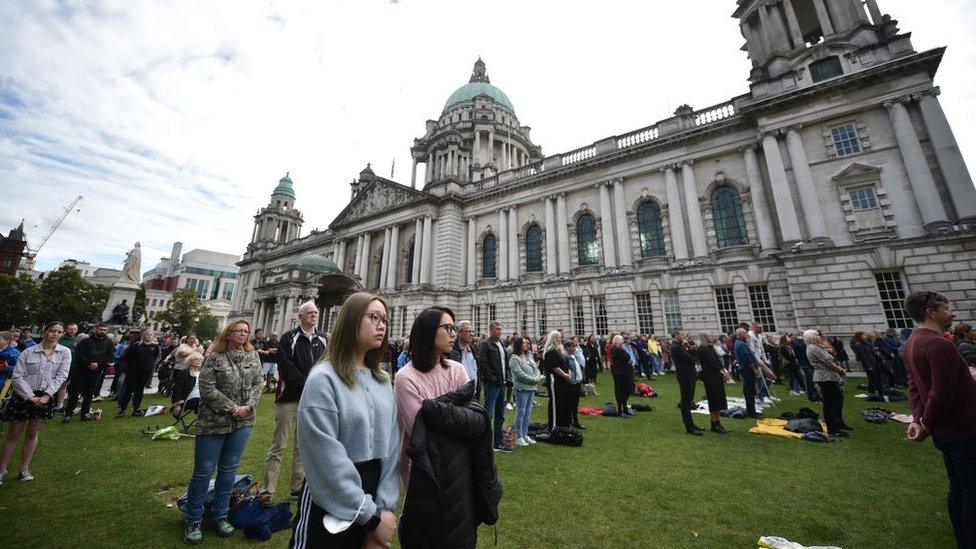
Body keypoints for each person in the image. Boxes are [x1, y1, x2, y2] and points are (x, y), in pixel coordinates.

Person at [292, 292, 399, 549]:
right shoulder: (323, 379)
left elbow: (392, 449)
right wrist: (370, 515)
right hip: (330, 496)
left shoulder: (383, 380)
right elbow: (324, 457)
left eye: (385, 319)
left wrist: (383, 508)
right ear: (351, 321)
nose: (382, 325)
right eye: (374, 317)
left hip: (374, 493)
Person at [902, 291, 976, 549]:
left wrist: (918, 418)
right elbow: (940, 392)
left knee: (959, 489)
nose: (952, 312)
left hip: (947, 431)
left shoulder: (911, 342)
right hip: (963, 429)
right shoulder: (939, 344)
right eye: (946, 308)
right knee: (971, 493)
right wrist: (925, 423)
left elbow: (914, 386)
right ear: (930, 312)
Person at [183, 319, 263, 544]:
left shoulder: (253, 356)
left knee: (228, 470)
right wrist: (231, 407)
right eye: (238, 331)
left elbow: (259, 383)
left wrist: (248, 406)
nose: (242, 334)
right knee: (203, 471)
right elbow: (207, 389)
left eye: (245, 331)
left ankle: (220, 516)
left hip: (243, 421)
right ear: (228, 334)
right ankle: (194, 519)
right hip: (213, 422)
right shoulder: (214, 358)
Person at [262, 302, 326, 501]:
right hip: (289, 397)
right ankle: (268, 489)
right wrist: (307, 383)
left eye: (316, 312)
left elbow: (325, 365)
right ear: (301, 316)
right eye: (310, 313)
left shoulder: (322, 339)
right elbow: (286, 365)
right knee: (279, 444)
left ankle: (297, 486)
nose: (314, 315)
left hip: (310, 399)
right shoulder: (289, 337)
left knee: (302, 445)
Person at [395, 306, 471, 472]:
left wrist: (435, 410)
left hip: (461, 465)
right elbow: (422, 431)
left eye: (454, 328)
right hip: (425, 470)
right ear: (428, 331)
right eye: (447, 328)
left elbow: (474, 420)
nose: (453, 334)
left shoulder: (458, 369)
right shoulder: (405, 377)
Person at [0, 322, 71, 485]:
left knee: (32, 433)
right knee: (13, 435)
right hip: (24, 395)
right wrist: (29, 396)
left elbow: (62, 375)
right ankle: (1, 470)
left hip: (45, 396)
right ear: (46, 331)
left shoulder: (64, 353)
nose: (55, 334)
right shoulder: (28, 352)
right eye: (52, 330)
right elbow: (17, 376)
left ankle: (24, 469)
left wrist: (47, 395)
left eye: (59, 332)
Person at [63, 323, 115, 422]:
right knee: (74, 393)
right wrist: (89, 363)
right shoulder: (85, 341)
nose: (103, 331)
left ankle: (85, 414)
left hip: (96, 372)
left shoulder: (109, 343)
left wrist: (98, 364)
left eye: (105, 330)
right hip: (81, 371)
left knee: (89, 393)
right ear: (95, 329)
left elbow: (109, 356)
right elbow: (79, 354)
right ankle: (68, 414)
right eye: (101, 329)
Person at [804, 330, 850, 437]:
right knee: (830, 403)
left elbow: (831, 354)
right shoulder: (813, 348)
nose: (819, 336)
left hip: (829, 376)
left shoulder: (816, 346)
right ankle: (832, 428)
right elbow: (828, 360)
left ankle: (838, 422)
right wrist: (840, 369)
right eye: (816, 335)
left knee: (837, 399)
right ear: (811, 337)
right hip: (825, 377)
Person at [479, 321, 512, 453]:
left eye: (500, 329)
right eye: (497, 329)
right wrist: (492, 378)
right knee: (489, 414)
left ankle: (498, 442)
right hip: (492, 385)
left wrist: (507, 378)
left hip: (502, 384)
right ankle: (485, 443)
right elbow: (482, 364)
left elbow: (505, 364)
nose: (499, 331)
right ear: (491, 330)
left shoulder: (501, 345)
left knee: (500, 414)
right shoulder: (486, 345)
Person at [117, 329, 160, 418]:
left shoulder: (155, 347)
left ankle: (136, 408)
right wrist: (131, 366)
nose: (149, 336)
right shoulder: (136, 345)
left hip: (145, 371)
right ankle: (122, 409)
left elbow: (154, 357)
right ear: (143, 335)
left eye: (151, 335)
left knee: (139, 390)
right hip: (133, 370)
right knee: (129, 390)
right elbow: (127, 356)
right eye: (148, 334)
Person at [509, 336, 542, 446]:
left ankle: (525, 433)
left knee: (527, 413)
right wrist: (533, 380)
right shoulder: (514, 358)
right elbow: (519, 374)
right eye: (524, 343)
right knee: (521, 412)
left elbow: (536, 368)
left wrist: (537, 377)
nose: (527, 345)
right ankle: (518, 436)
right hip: (521, 388)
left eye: (527, 343)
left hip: (531, 388)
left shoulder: (529, 355)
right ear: (519, 344)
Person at [670, 330, 703, 436]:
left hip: (690, 375)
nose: (684, 337)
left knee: (689, 401)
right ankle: (689, 427)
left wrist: (689, 346)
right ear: (676, 335)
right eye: (682, 335)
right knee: (685, 402)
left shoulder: (681, 346)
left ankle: (691, 424)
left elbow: (694, 354)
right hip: (684, 376)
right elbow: (691, 359)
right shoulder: (675, 347)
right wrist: (688, 349)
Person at [696, 332, 730, 434]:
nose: (711, 337)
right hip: (709, 377)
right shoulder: (702, 348)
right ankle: (714, 422)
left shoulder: (711, 347)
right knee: (713, 399)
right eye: (709, 336)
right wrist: (721, 371)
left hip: (716, 376)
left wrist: (724, 370)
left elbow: (717, 360)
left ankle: (718, 422)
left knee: (719, 399)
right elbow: (710, 362)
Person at [543, 330, 575, 427]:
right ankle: (554, 425)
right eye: (558, 337)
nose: (560, 339)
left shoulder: (559, 350)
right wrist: (565, 374)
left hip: (562, 380)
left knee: (563, 401)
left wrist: (567, 373)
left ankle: (563, 424)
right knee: (556, 402)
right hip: (554, 380)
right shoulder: (551, 352)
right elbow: (554, 367)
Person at [448, 320, 480, 397]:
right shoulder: (451, 351)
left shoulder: (473, 350)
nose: (472, 334)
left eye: (472, 331)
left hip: (474, 393)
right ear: (459, 333)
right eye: (468, 331)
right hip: (458, 394)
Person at [734, 328, 761, 419]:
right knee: (750, 391)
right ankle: (751, 412)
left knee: (748, 390)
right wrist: (754, 369)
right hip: (747, 370)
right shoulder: (741, 344)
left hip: (745, 369)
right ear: (741, 334)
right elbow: (747, 359)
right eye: (745, 333)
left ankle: (751, 410)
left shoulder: (741, 343)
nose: (747, 334)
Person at [170, 352, 203, 419]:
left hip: (202, 395)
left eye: (200, 359)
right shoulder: (185, 373)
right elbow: (177, 389)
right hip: (189, 399)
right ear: (190, 362)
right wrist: (178, 404)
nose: (198, 361)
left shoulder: (202, 373)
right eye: (196, 359)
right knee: (202, 401)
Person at [609, 334, 634, 419]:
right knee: (620, 390)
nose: (623, 342)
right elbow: (627, 357)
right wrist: (624, 350)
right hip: (619, 372)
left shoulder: (618, 349)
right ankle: (620, 409)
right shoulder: (616, 350)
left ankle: (624, 407)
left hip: (623, 371)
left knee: (627, 388)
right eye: (622, 341)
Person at [852, 331, 883, 395]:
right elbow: (864, 356)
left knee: (875, 377)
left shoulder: (864, 343)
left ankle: (875, 390)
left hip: (872, 362)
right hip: (868, 363)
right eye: (863, 335)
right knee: (872, 378)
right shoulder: (859, 344)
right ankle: (872, 391)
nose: (865, 336)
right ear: (860, 336)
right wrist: (869, 365)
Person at [565, 338, 585, 430]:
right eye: (572, 346)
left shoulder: (575, 356)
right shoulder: (566, 357)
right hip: (571, 383)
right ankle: (569, 422)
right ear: (567, 348)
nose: (574, 348)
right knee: (570, 403)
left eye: (574, 346)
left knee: (576, 403)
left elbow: (582, 364)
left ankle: (575, 421)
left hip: (577, 382)